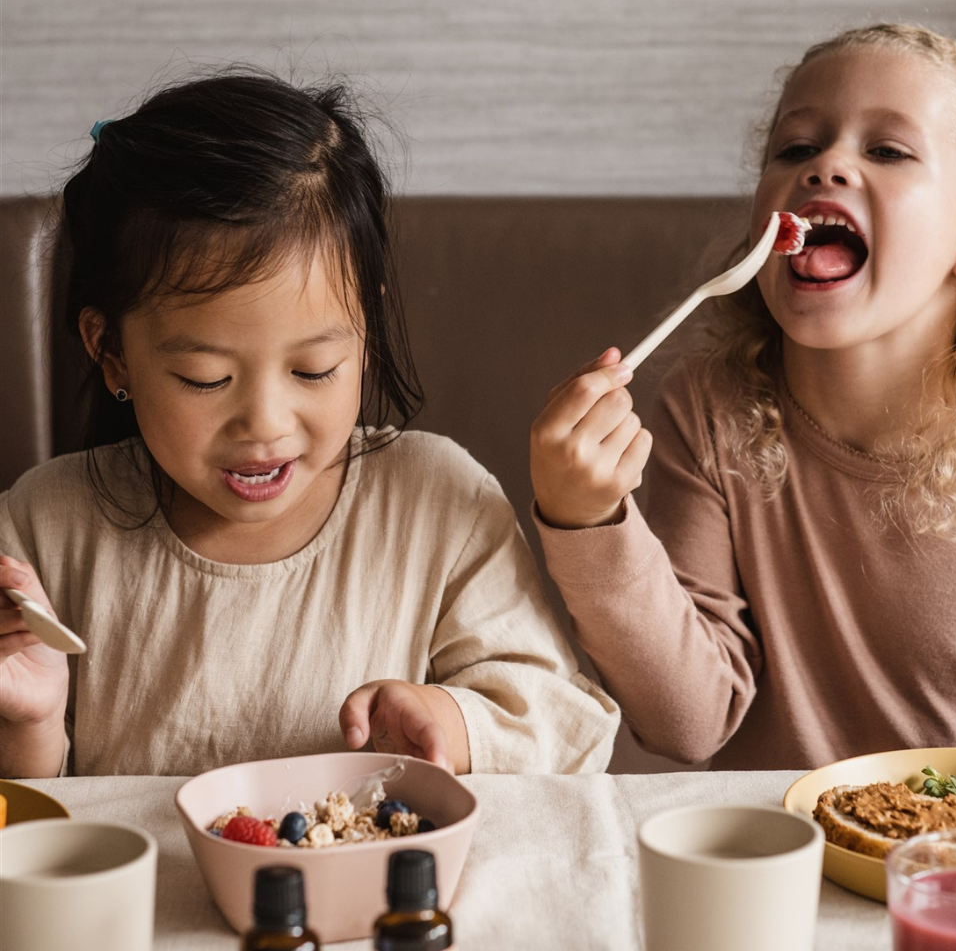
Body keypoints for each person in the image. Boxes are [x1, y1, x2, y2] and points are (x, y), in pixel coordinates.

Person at [0, 69, 618, 779]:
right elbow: (28, 827)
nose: (265, 423)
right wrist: (34, 722)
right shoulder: (42, 530)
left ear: (365, 333)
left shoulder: (437, 502)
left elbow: (561, 725)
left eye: (314, 369)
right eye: (206, 379)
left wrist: (455, 722)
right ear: (110, 352)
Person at [530, 23, 956, 771]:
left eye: (886, 150)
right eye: (796, 149)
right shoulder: (709, 412)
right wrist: (587, 517)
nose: (826, 167)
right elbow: (687, 722)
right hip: (785, 860)